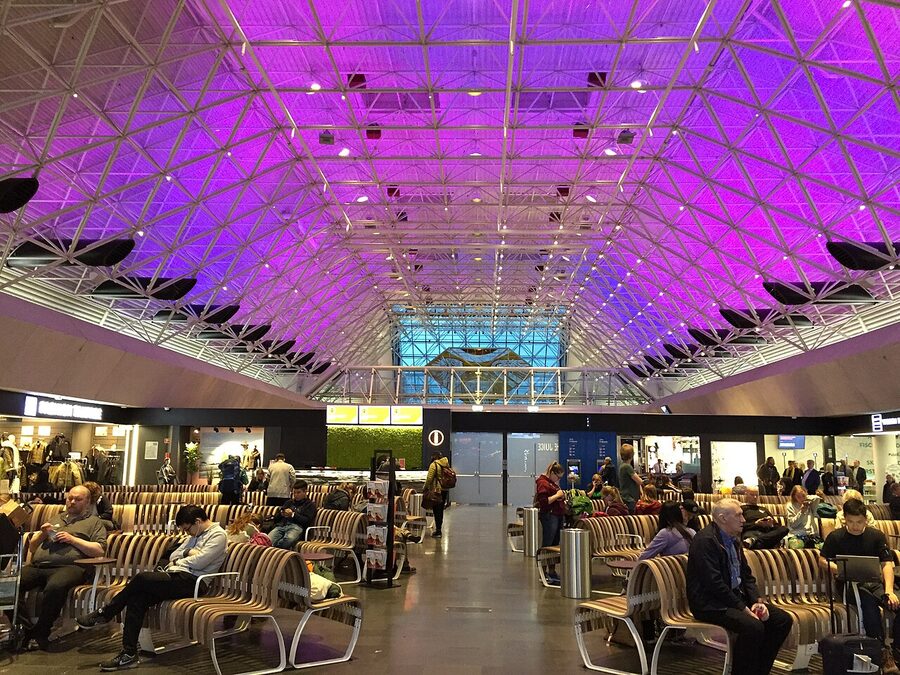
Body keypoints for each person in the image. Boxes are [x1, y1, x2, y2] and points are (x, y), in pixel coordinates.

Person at [77, 505, 227, 671]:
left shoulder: (218, 535)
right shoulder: (195, 535)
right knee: (137, 599)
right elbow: (173, 554)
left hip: (194, 582)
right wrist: (187, 554)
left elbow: (200, 562)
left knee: (142, 578)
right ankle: (129, 654)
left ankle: (106, 613)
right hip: (176, 577)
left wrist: (182, 558)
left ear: (197, 522)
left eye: (187, 529)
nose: (187, 533)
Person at [686, 498, 793, 675]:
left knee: (781, 620)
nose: (743, 519)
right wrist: (743, 608)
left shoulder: (733, 540)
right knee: (753, 626)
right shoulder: (705, 541)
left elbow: (746, 576)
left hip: (733, 598)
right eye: (738, 515)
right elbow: (714, 584)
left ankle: (759, 670)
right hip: (709, 604)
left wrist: (757, 601)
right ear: (722, 518)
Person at [11, 486, 107, 651]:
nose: (72, 502)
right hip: (39, 566)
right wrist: (42, 534)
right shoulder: (56, 517)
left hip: (71, 567)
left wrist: (73, 540)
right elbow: (33, 547)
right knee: (9, 584)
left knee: (55, 586)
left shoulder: (94, 522)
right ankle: (26, 629)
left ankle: (41, 632)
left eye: (78, 499)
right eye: (70, 498)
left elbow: (99, 550)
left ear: (88, 502)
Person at [819, 499, 900, 673]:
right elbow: (823, 560)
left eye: (859, 522)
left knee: (898, 602)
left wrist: (889, 591)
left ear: (866, 519)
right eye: (850, 522)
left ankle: (897, 649)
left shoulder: (876, 536)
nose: (855, 526)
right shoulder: (836, 537)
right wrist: (840, 569)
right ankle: (881, 651)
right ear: (844, 520)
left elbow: (887, 564)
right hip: (849, 584)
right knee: (868, 604)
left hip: (875, 583)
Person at [534, 461, 566, 584]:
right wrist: (557, 495)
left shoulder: (552, 483)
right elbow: (544, 502)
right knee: (547, 544)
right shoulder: (543, 483)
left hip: (557, 515)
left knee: (554, 544)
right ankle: (543, 572)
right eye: (557, 477)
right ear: (552, 473)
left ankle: (552, 571)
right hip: (549, 516)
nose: (558, 480)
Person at [268, 480, 316, 550]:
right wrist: (282, 514)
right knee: (268, 540)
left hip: (297, 527)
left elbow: (306, 521)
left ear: (305, 492)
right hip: (282, 526)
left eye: (298, 492)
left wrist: (293, 514)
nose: (296, 495)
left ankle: (276, 551)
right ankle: (274, 552)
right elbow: (276, 518)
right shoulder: (289, 502)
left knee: (288, 539)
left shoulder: (310, 505)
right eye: (294, 493)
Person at [424, 451, 451, 538]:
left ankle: (438, 531)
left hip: (437, 490)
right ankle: (439, 529)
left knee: (437, 510)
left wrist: (425, 487)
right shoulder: (445, 464)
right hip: (444, 489)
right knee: (440, 510)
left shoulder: (434, 465)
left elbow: (429, 478)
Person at [618, 444, 642, 514]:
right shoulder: (627, 467)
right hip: (630, 499)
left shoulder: (622, 466)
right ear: (632, 455)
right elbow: (640, 481)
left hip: (625, 497)